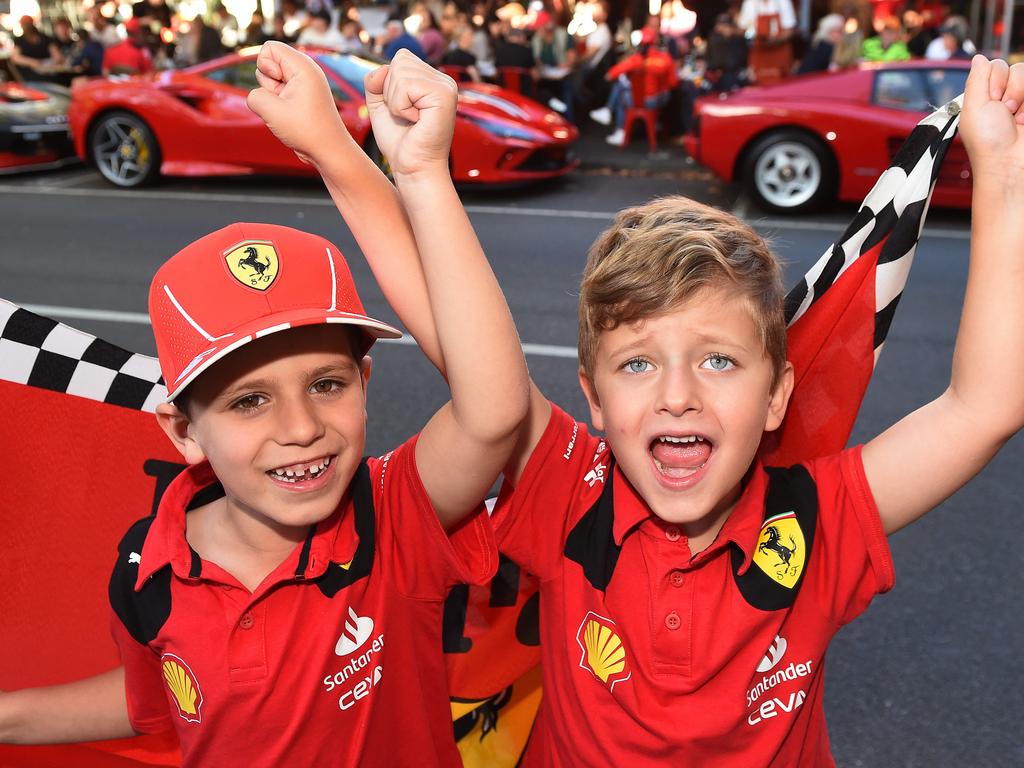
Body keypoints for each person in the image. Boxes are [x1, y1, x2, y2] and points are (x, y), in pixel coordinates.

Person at [317, 54, 1024, 763]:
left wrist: (1003, 172)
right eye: (638, 363)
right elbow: (459, 342)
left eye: (718, 360)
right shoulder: (567, 492)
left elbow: (985, 405)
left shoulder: (820, 518)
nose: (678, 395)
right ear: (592, 396)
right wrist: (410, 172)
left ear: (778, 393)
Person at [0, 43, 530, 767]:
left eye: (327, 384)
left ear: (366, 386)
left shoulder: (393, 515)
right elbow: (151, 697)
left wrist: (399, 169)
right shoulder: (144, 570)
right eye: (250, 400)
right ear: (185, 432)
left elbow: (494, 408)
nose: (303, 427)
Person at [588, 27, 678, 146]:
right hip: (657, 100)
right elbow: (673, 83)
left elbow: (610, 75)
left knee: (621, 89)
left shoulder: (635, 59)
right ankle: (655, 124)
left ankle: (618, 126)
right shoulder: (665, 58)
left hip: (638, 100)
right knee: (624, 88)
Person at [738, 0, 797, 83]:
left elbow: (790, 30)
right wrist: (754, 37)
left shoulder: (783, 2)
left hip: (780, 54)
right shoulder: (750, 3)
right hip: (759, 54)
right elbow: (745, 30)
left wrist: (776, 40)